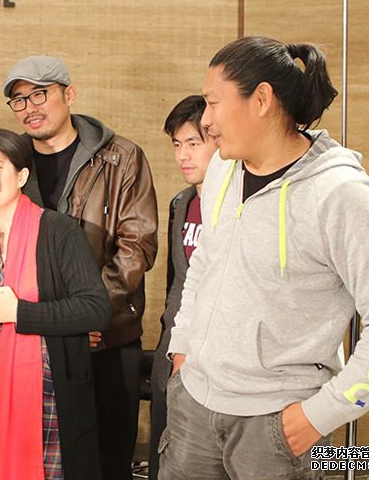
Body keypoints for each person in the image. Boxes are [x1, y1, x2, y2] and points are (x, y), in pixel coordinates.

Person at [161, 35, 369, 479]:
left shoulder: (340, 193)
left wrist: (320, 414)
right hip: (195, 408)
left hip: (276, 426)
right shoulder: (222, 166)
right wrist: (182, 349)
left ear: (262, 99)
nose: (206, 120)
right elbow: (205, 262)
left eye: (214, 103)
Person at [1, 55, 158, 480]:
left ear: (68, 94)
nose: (30, 107)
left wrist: (87, 313)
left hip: (106, 338)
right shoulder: (11, 163)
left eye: (40, 94)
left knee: (106, 464)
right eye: (19, 100)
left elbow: (136, 246)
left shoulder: (121, 157)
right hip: (35, 342)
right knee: (41, 462)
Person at [0, 128, 111, 480]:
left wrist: (18, 312)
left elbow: (95, 308)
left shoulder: (59, 232)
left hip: (49, 397)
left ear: (22, 176)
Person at [148, 95, 216, 476]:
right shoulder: (182, 202)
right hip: (172, 357)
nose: (182, 155)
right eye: (177, 144)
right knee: (166, 460)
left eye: (193, 143)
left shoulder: (240, 203)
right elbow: (177, 285)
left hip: (215, 366)